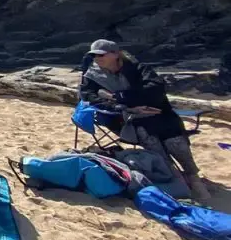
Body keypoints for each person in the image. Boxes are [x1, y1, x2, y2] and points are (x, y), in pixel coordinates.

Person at [78, 39, 210, 201]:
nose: (97, 58)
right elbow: (89, 96)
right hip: (124, 118)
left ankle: (192, 176)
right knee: (146, 133)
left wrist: (119, 97)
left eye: (101, 54)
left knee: (173, 136)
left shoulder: (138, 68)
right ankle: (173, 175)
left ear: (115, 54)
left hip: (158, 112)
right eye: (93, 55)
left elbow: (155, 89)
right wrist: (124, 107)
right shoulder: (93, 76)